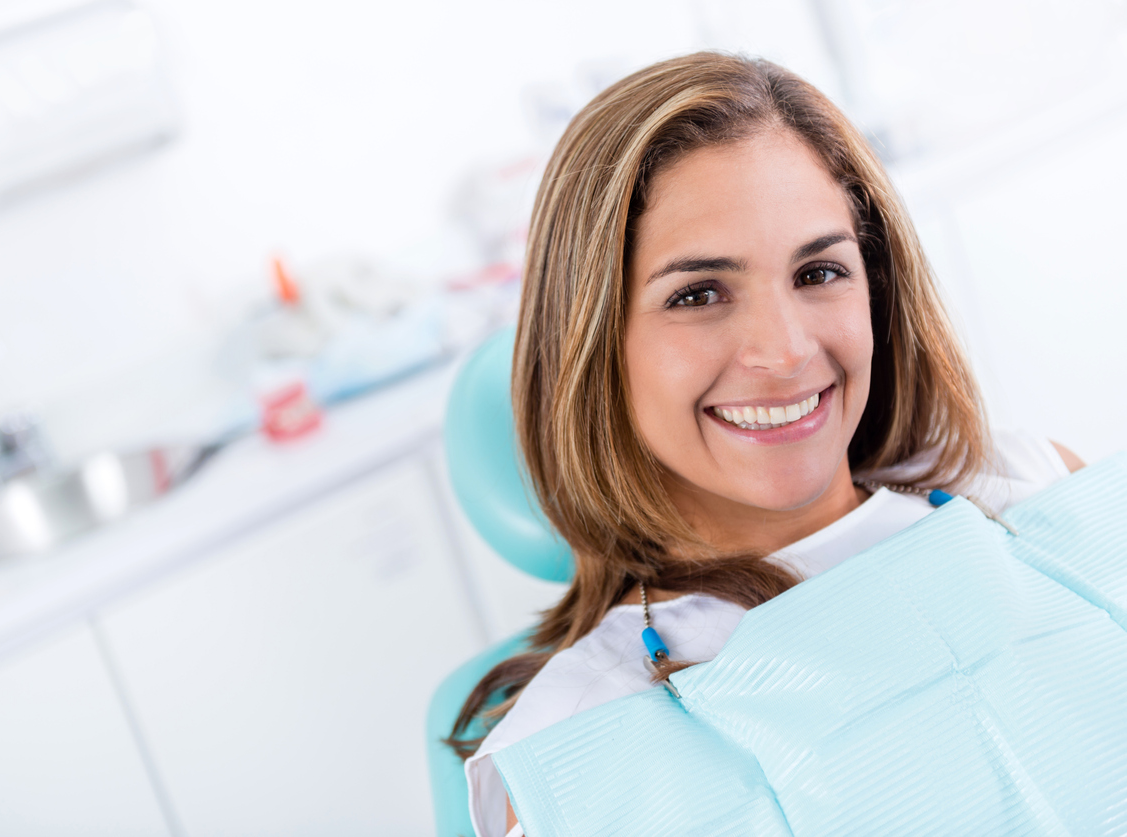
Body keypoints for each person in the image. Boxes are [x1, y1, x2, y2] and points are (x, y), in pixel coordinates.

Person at [448, 51, 1085, 837]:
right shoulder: (580, 749)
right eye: (698, 293)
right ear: (592, 345)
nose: (784, 351)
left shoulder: (1033, 489)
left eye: (818, 272)